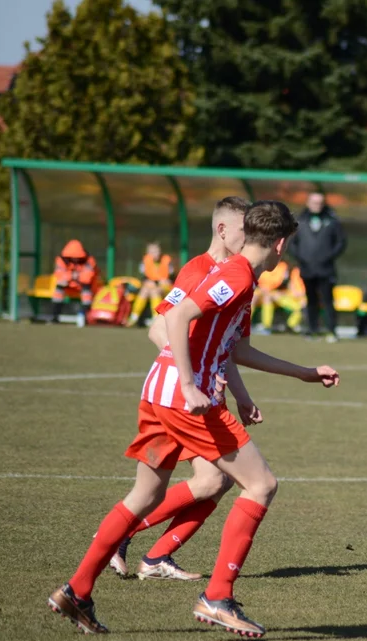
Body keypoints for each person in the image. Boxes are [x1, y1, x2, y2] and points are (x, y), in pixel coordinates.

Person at [48, 200, 340, 637]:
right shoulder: (237, 275)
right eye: (288, 246)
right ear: (280, 244)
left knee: (144, 496)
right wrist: (189, 382)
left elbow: (236, 349)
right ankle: (217, 596)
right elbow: (179, 316)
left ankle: (77, 590)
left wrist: (302, 373)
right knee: (260, 485)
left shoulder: (243, 279)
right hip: (185, 398)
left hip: (159, 391)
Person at [108, 197, 256, 582]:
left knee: (219, 482)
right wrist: (186, 370)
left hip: (206, 393)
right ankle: (119, 537)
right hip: (183, 396)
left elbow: (227, 350)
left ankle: (156, 557)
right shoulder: (200, 270)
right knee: (213, 481)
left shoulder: (241, 275)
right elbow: (161, 326)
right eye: (246, 230)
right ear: (223, 230)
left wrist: (241, 395)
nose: (252, 238)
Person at [287, 191, 347, 341]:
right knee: (310, 299)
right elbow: (292, 243)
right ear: (308, 203)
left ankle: (331, 330)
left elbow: (340, 242)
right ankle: (312, 329)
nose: (317, 205)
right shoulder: (300, 221)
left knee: (328, 300)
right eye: (314, 202)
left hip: (326, 269)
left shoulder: (332, 221)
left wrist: (328, 257)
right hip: (307, 269)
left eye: (320, 203)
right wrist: (301, 258)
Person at [51, 239, 99, 326]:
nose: (75, 259)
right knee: (58, 289)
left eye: (77, 257)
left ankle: (84, 316)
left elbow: (87, 277)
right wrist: (73, 276)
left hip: (85, 286)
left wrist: (71, 276)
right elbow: (59, 275)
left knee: (86, 292)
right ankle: (55, 316)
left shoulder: (89, 260)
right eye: (72, 257)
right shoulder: (61, 260)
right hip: (69, 286)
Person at [126, 242, 174, 327]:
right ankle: (134, 317)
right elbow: (143, 278)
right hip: (151, 287)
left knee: (154, 291)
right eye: (152, 252)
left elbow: (170, 278)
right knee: (144, 290)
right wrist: (148, 282)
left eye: (157, 251)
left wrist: (160, 282)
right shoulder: (145, 261)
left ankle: (156, 318)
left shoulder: (167, 260)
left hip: (166, 287)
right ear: (148, 253)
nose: (156, 254)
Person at [251, 260, 303, 334]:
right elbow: (259, 280)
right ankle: (246, 324)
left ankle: (288, 326)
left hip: (277, 294)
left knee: (301, 306)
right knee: (254, 298)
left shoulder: (283, 267)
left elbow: (281, 282)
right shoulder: (263, 264)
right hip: (264, 292)